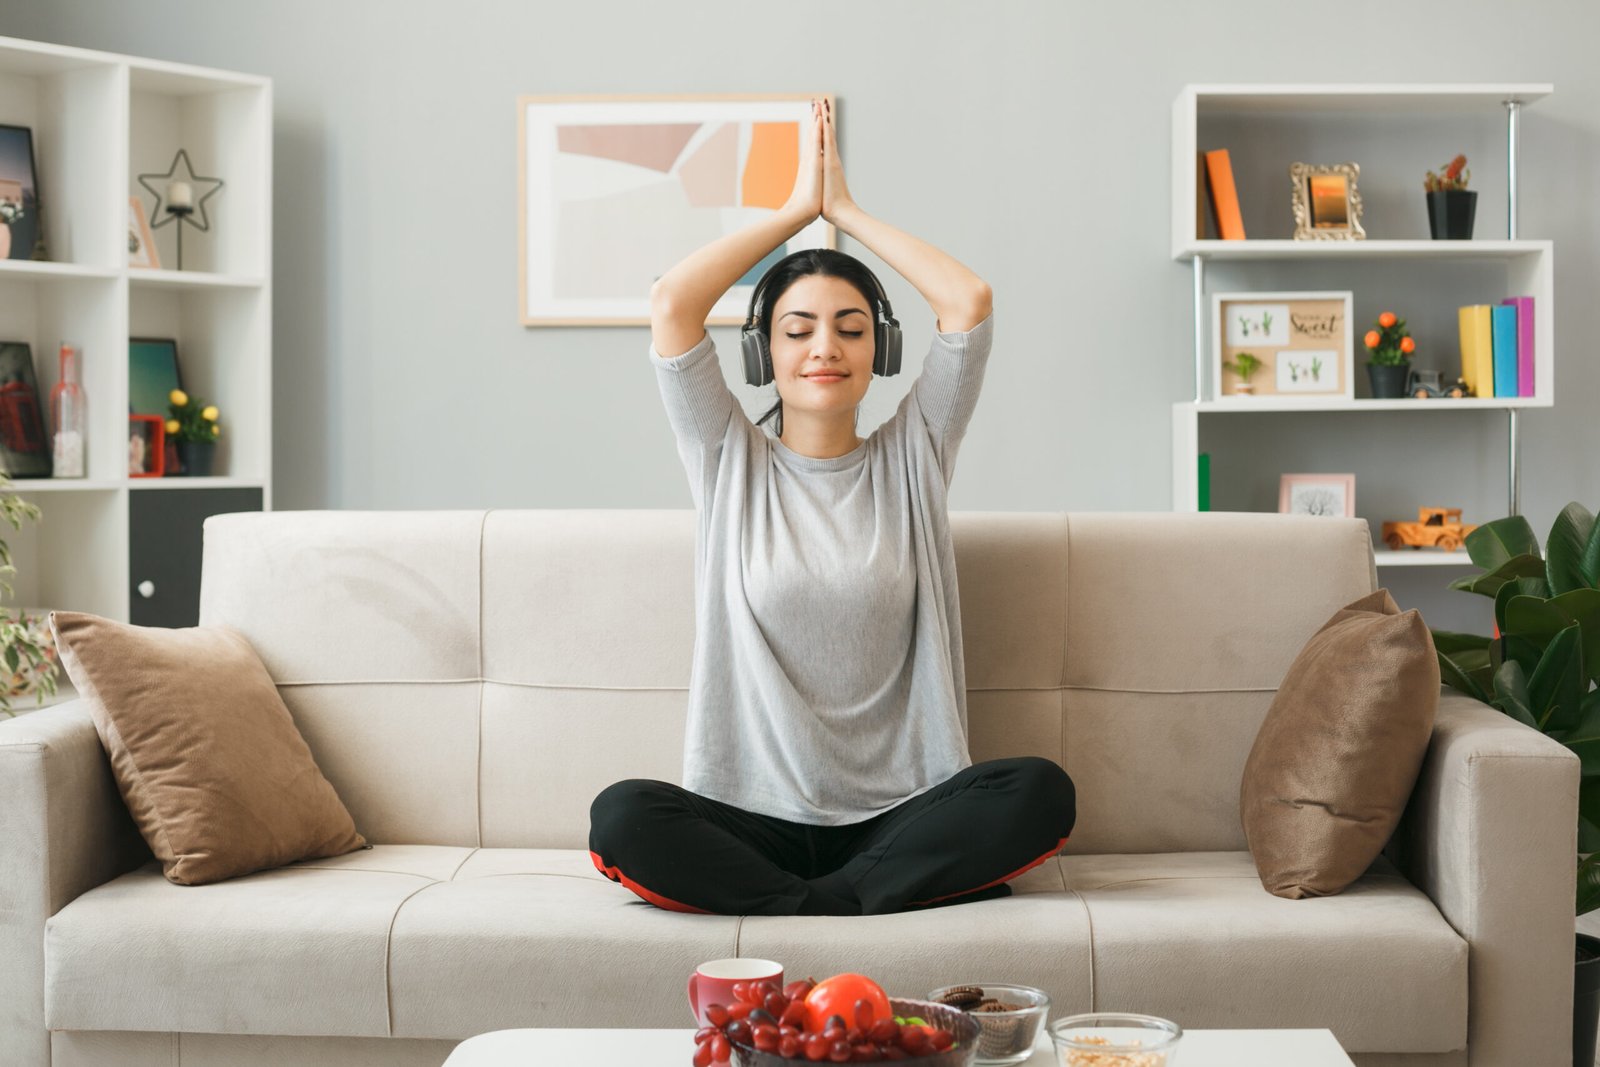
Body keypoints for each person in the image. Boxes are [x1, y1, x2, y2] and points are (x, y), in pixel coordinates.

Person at [589, 98, 1074, 916]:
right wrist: (793, 215)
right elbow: (673, 303)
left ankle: (801, 902)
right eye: (798, 329)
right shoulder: (724, 457)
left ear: (879, 350)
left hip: (904, 813)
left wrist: (844, 213)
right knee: (624, 815)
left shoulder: (915, 451)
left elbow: (968, 300)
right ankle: (849, 901)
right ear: (762, 352)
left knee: (1040, 791)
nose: (825, 348)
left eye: (851, 329)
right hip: (752, 818)